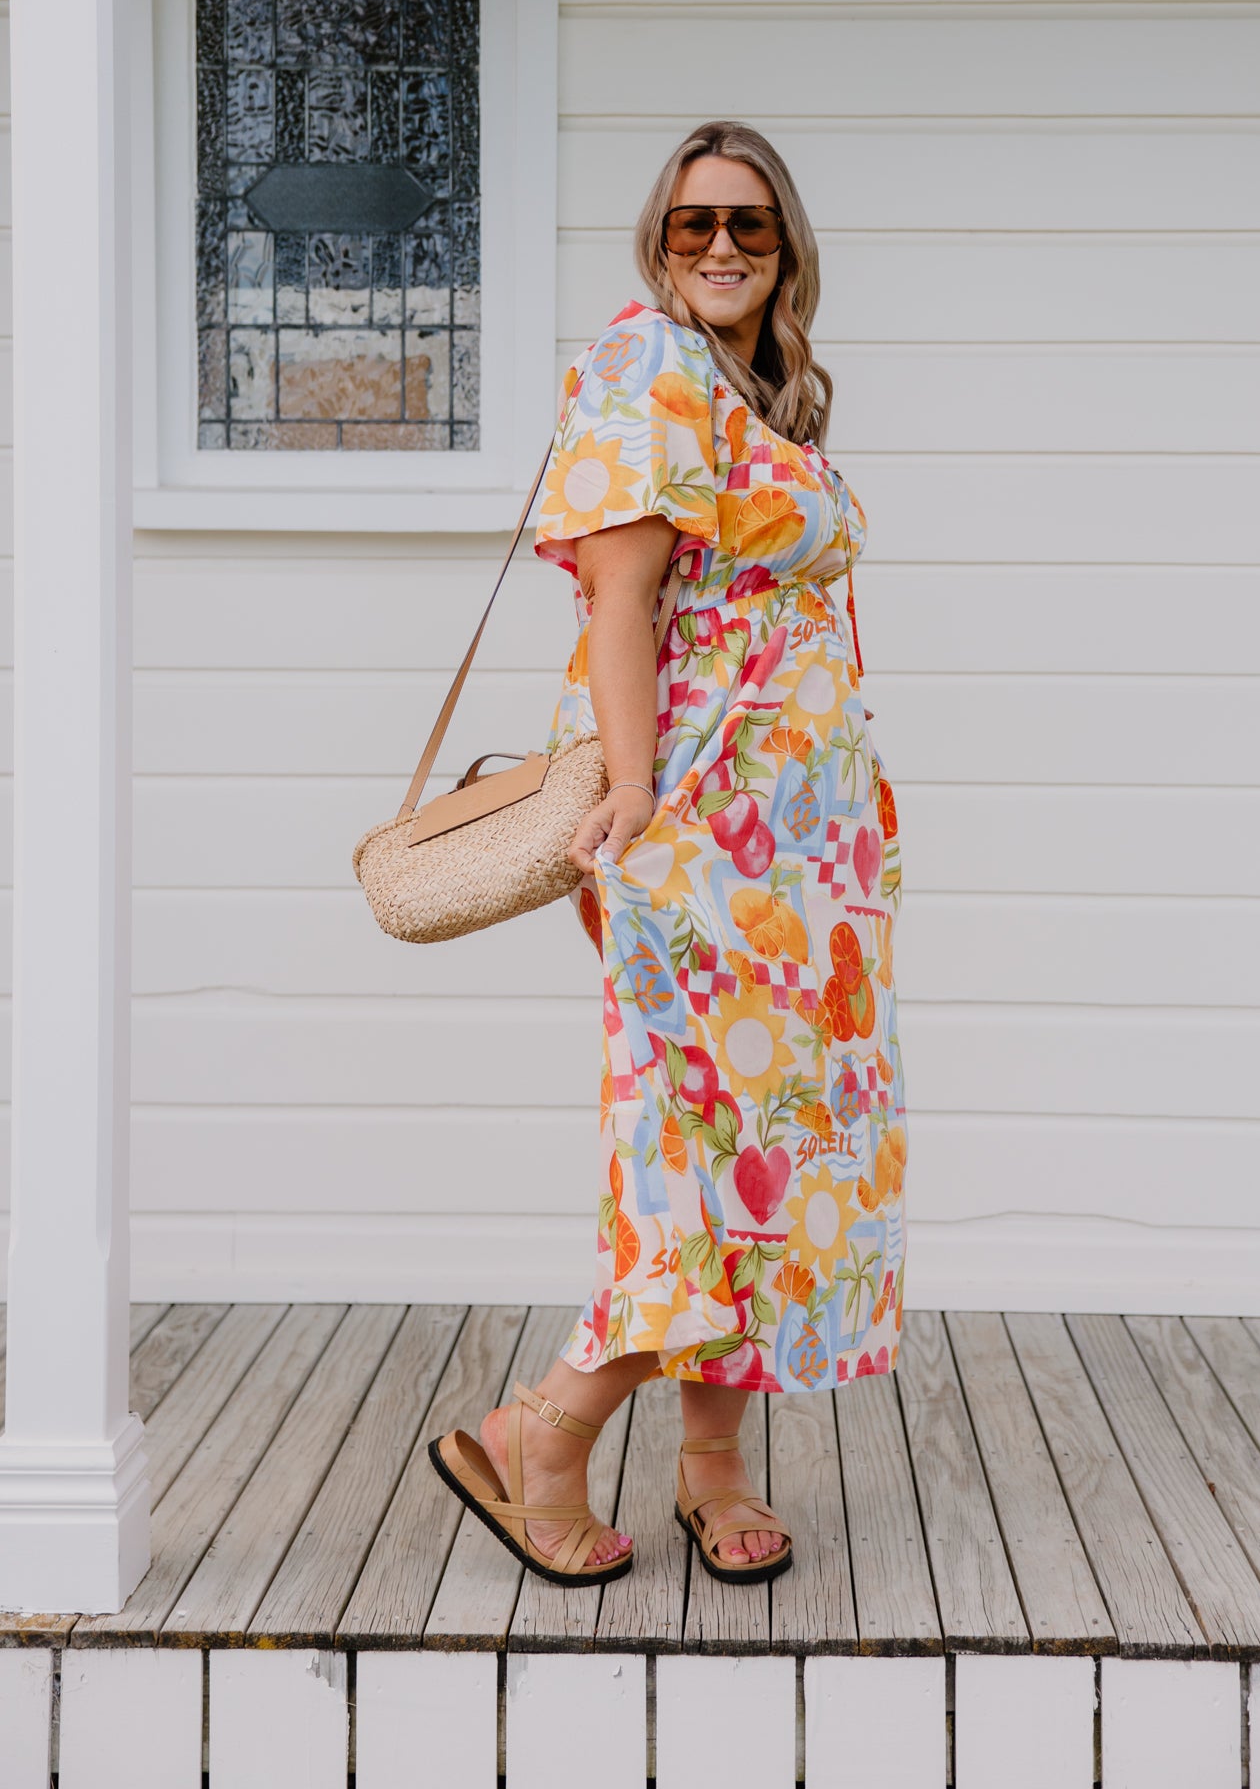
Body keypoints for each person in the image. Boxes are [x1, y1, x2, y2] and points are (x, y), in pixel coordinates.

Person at [429, 121, 905, 1588]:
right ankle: (542, 1431)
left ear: (786, 249)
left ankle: (713, 1466)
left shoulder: (763, 392)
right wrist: (634, 794)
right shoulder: (645, 365)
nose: (720, 247)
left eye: (749, 225)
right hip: (695, 832)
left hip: (800, 856)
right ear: (659, 241)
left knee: (774, 1149)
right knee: (707, 1155)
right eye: (694, 222)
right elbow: (620, 602)